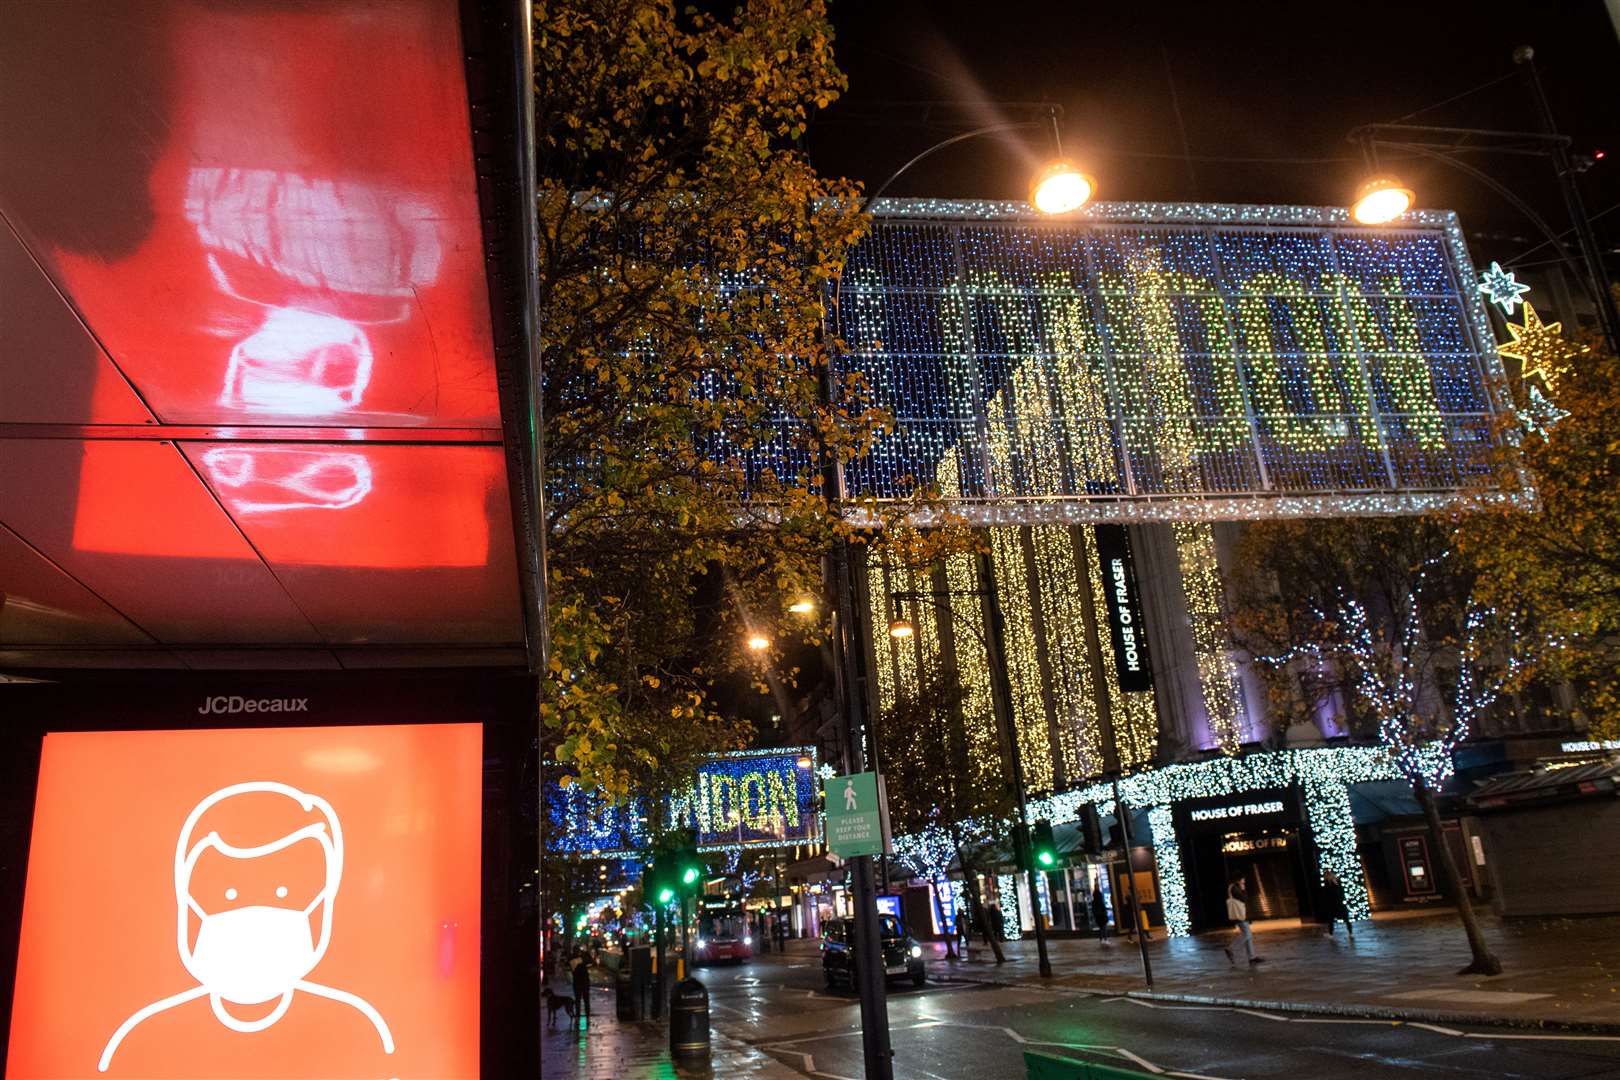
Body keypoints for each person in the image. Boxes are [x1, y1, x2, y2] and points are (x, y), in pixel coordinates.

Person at [1223, 881, 1263, 966]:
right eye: (1242, 879)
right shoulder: (1234, 888)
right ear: (1238, 879)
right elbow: (1244, 899)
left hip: (1242, 915)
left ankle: (1251, 957)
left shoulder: (1234, 887)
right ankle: (1231, 949)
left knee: (1248, 936)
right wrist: (1243, 890)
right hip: (1240, 915)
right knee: (1247, 934)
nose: (1244, 881)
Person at [1321, 869, 1354, 940]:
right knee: (1346, 919)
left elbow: (1326, 895)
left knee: (1331, 919)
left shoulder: (1328, 883)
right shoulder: (1337, 882)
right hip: (1340, 904)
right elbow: (1342, 893)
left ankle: (1331, 934)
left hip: (1333, 905)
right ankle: (1350, 933)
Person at [571, 952, 591, 1028]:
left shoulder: (573, 962)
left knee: (578, 1001)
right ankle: (587, 1018)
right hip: (584, 983)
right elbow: (591, 962)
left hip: (577, 984)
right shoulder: (584, 961)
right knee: (586, 1001)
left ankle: (578, 1017)